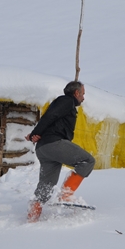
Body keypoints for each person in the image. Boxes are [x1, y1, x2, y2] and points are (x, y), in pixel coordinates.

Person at [26, 81, 96, 222]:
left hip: (43, 148)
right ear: (76, 93)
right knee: (87, 160)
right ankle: (66, 194)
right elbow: (50, 116)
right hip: (53, 144)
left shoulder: (64, 103)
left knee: (47, 183)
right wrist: (36, 132)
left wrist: (36, 134)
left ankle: (33, 216)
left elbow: (50, 117)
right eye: (83, 94)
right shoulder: (66, 101)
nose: (83, 98)